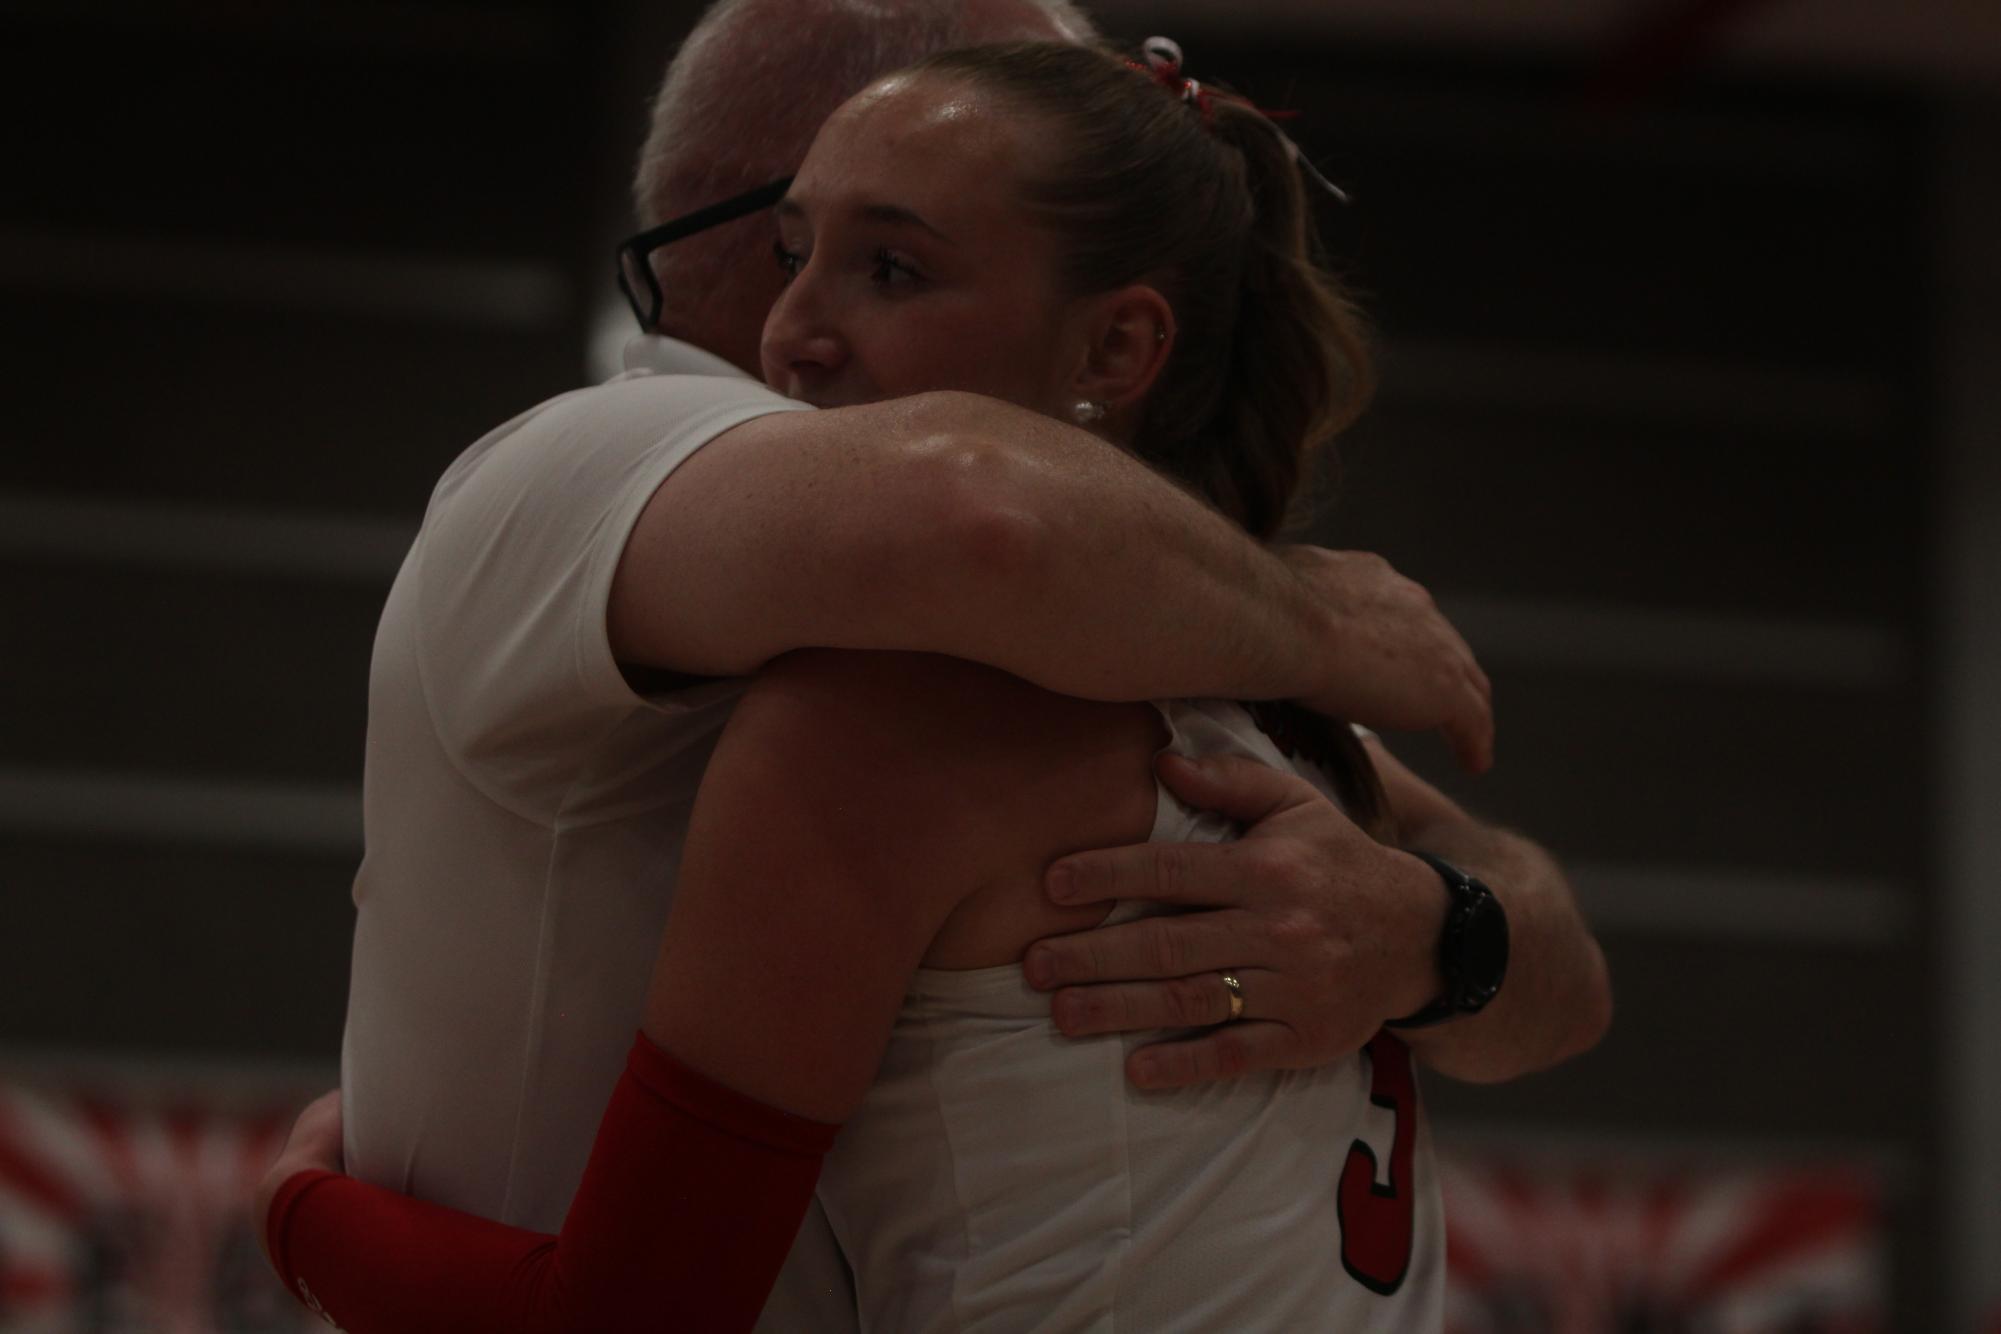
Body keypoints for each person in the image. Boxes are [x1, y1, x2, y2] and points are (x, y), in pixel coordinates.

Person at [257, 36, 1610, 1332]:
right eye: (794, 255)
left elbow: (624, 1319)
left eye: (892, 269)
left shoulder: (900, 716)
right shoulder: (1279, 719)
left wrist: (299, 1208)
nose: (793, 332)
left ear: (1116, 353)